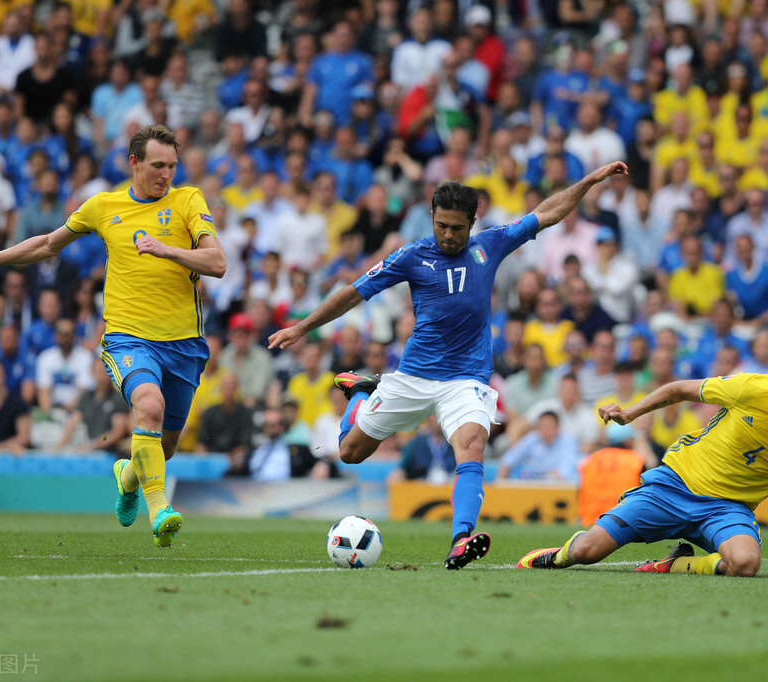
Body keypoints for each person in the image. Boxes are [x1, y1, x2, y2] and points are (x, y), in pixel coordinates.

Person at [269, 161, 629, 569]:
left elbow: (547, 213)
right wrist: (302, 327)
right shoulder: (411, 256)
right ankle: (362, 392)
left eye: (457, 228)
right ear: (432, 219)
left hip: (467, 378)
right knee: (349, 452)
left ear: (472, 223)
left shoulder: (490, 245)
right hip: (414, 375)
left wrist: (589, 180)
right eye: (441, 225)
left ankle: (461, 538)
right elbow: (353, 293)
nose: (448, 235)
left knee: (472, 445)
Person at [0, 124, 227, 549]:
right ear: (134, 162)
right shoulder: (103, 206)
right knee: (148, 406)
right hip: (127, 337)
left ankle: (129, 475)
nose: (165, 175)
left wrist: (167, 249)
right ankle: (160, 512)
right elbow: (47, 244)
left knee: (163, 448)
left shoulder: (188, 200)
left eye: (171, 166)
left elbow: (218, 262)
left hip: (184, 343)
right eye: (157, 165)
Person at [516, 356, 768, 580]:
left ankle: (678, 564)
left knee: (745, 564)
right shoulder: (752, 387)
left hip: (727, 509)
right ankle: (559, 555)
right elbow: (680, 389)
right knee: (586, 553)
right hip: (675, 485)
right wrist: (631, 413)